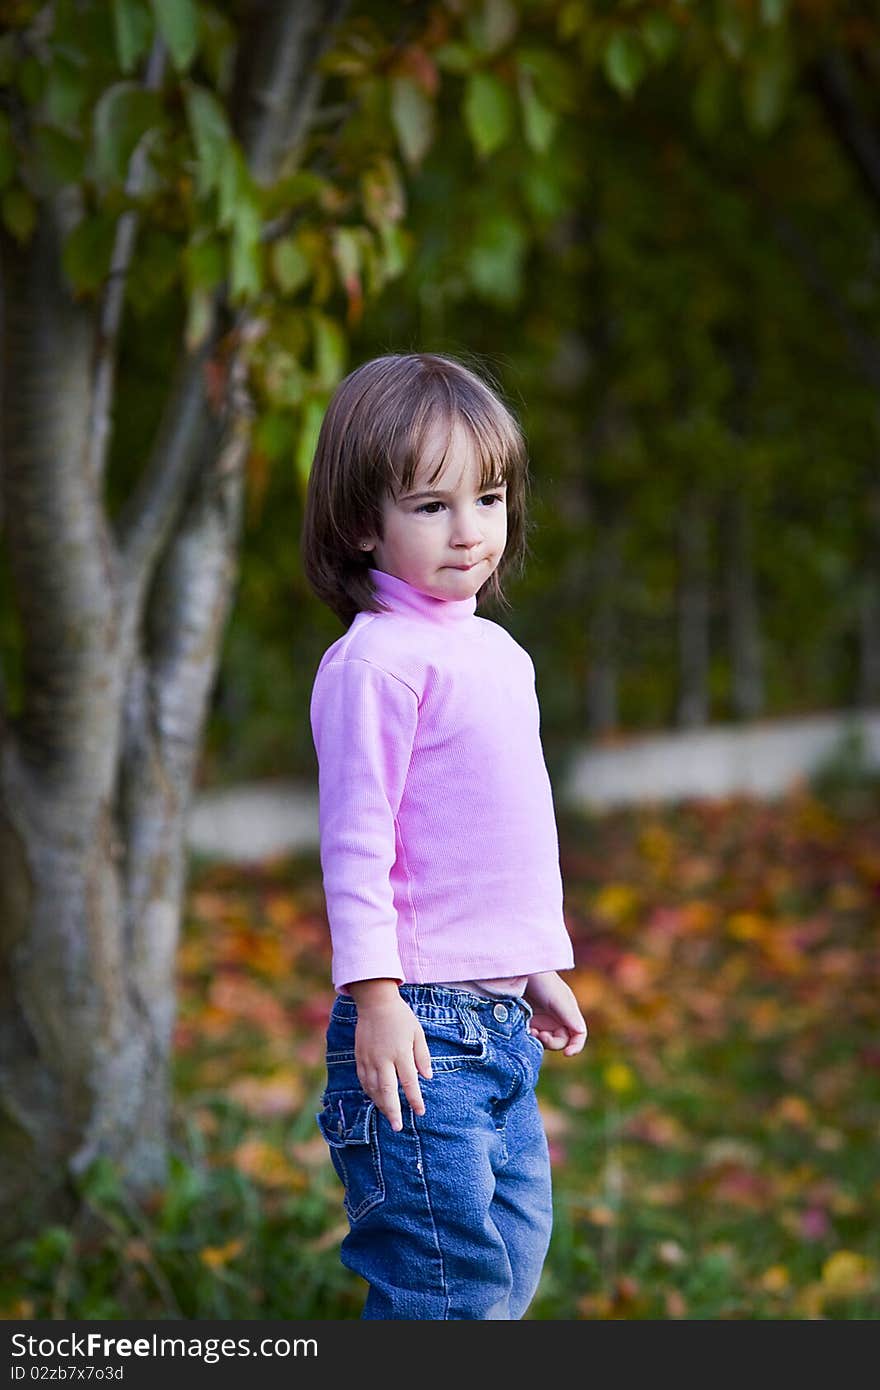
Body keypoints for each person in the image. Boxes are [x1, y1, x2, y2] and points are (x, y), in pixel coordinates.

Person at [301, 351, 587, 1320]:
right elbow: (357, 845)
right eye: (431, 506)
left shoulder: (498, 654)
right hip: (421, 1032)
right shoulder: (374, 664)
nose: (471, 531)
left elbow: (495, 835)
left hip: (498, 1027)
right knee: (444, 1288)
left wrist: (531, 963)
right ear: (360, 525)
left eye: (490, 497)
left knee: (508, 1261)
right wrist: (373, 995)